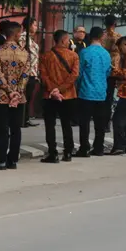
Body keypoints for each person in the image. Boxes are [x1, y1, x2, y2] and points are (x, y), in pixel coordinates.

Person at [0, 22, 30, 170]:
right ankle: (13, 160)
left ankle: (0, 160)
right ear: (16, 34)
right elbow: (25, 75)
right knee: (16, 128)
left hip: (2, 96)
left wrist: (9, 91)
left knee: (3, 129)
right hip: (19, 96)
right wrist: (18, 91)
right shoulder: (25, 53)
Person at [39, 29, 79, 163]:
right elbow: (74, 76)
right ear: (63, 40)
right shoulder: (73, 56)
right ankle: (68, 152)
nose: (69, 42)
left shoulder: (46, 56)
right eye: (68, 40)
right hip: (68, 95)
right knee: (66, 124)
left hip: (49, 96)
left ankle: (52, 153)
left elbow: (43, 76)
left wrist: (53, 90)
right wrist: (61, 90)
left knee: (50, 124)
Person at [75, 27, 112, 157]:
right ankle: (98, 148)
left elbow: (78, 73)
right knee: (100, 124)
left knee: (84, 123)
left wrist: (77, 86)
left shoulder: (85, 53)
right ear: (102, 37)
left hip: (86, 92)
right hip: (101, 92)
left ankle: (84, 148)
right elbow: (108, 72)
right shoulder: (106, 54)